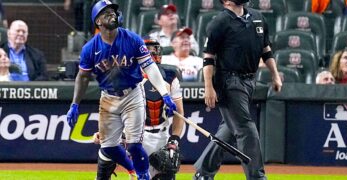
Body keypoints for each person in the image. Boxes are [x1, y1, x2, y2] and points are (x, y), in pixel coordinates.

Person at [65, 1, 177, 180]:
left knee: (133, 145)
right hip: (108, 98)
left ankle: (143, 176)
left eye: (113, 12)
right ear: (98, 21)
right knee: (108, 147)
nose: (112, 15)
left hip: (132, 95)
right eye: (106, 12)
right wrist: (74, 104)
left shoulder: (132, 38)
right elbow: (83, 77)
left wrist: (165, 93)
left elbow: (150, 67)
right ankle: (133, 169)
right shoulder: (90, 49)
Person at [193, 0, 282, 180]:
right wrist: (208, 87)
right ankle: (257, 176)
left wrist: (275, 74)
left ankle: (203, 173)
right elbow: (208, 57)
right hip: (229, 80)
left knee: (228, 131)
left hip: (250, 80)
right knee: (246, 129)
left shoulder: (258, 17)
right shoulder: (219, 22)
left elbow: (266, 50)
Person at [93, 39, 185, 179]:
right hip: (133, 134)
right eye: (146, 52)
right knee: (107, 152)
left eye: (153, 53)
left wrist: (174, 140)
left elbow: (179, 113)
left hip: (161, 136)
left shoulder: (171, 76)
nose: (150, 56)